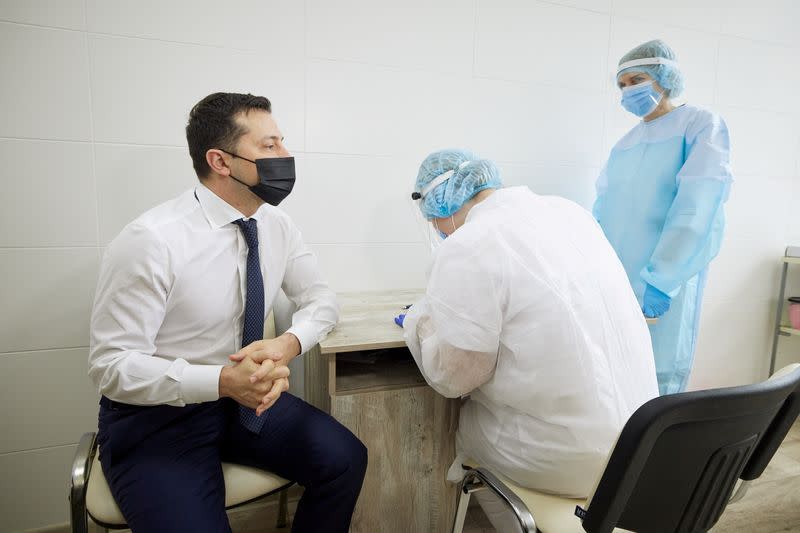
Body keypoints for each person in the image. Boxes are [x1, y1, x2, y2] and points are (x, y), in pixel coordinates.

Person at [88, 92, 367, 533]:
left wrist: (287, 344)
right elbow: (111, 367)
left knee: (345, 459)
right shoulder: (151, 241)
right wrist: (220, 381)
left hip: (244, 402)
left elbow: (321, 301)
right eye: (270, 145)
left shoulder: (276, 224)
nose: (286, 156)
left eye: (283, 142)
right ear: (220, 161)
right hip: (157, 419)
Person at [397, 148, 659, 528]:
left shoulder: (468, 243)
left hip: (565, 459)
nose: (436, 228)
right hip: (641, 446)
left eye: (432, 219)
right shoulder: (571, 214)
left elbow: (455, 378)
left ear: (439, 204)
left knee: (463, 425)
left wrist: (419, 321)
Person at [594, 40, 733, 395]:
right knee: (615, 373)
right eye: (622, 85)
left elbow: (697, 206)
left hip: (664, 280)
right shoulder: (625, 142)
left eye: (636, 80)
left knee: (658, 377)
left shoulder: (700, 125)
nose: (628, 91)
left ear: (665, 78)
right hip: (617, 277)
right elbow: (604, 209)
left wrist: (661, 279)